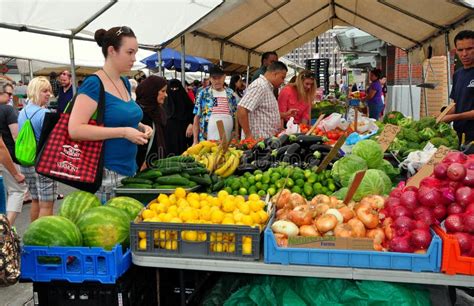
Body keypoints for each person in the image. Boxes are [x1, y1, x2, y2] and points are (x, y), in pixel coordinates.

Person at [68, 26, 152, 202]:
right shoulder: (94, 84)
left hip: (129, 169)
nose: (134, 58)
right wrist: (123, 132)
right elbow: (75, 130)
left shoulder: (124, 82)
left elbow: (118, 117)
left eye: (135, 53)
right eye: (129, 52)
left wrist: (140, 126)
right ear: (112, 51)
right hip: (106, 173)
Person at [17, 77, 56, 221]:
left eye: (49, 91)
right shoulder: (44, 114)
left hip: (26, 161)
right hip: (43, 163)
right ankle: (43, 241)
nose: (48, 95)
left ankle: (33, 234)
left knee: (35, 200)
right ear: (35, 91)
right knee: (46, 205)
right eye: (45, 91)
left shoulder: (22, 112)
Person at [237, 61, 288, 139]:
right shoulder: (260, 86)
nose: (282, 81)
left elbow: (265, 112)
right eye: (282, 77)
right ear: (275, 74)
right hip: (258, 141)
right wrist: (248, 135)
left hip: (266, 140)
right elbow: (242, 109)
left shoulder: (267, 87)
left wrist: (285, 114)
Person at [0, 81, 27, 225]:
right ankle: (6, 229)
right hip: (6, 157)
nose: (11, 97)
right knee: (17, 190)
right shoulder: (7, 110)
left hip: (5, 155)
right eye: (9, 94)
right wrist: (16, 173)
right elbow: (16, 137)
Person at [441, 30, 474, 145]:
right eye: (460, 50)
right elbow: (455, 104)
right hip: (459, 135)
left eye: (469, 49)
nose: (464, 54)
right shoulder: (457, 74)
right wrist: (441, 115)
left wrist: (453, 117)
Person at [193, 66, 237, 144]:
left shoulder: (230, 93)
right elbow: (197, 117)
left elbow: (235, 115)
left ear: (224, 77)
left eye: (219, 78)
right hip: (207, 137)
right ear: (210, 78)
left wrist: (236, 133)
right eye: (214, 78)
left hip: (228, 138)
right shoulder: (203, 93)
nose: (217, 81)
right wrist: (195, 140)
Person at [135, 76, 168, 169]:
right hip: (141, 168)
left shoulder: (158, 110)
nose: (166, 95)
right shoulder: (137, 113)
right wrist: (142, 162)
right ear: (152, 91)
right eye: (163, 91)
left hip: (156, 164)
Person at [165, 79, 195, 154]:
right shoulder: (164, 104)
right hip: (168, 134)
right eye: (172, 89)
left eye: (176, 89)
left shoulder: (187, 102)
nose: (174, 91)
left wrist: (191, 124)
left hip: (184, 133)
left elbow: (193, 113)